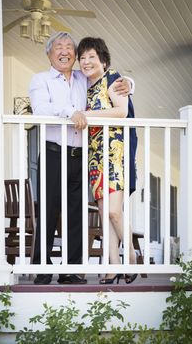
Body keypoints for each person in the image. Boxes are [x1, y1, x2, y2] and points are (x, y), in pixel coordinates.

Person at [29, 32, 133, 285]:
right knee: (49, 210)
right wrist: (71, 112)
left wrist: (128, 82)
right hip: (54, 152)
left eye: (69, 48)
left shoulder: (80, 78)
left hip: (80, 156)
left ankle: (72, 270)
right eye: (58, 47)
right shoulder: (41, 79)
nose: (65, 51)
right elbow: (41, 108)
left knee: (76, 214)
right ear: (49, 53)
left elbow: (105, 80)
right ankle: (43, 269)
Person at [77, 37, 138, 284]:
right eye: (82, 58)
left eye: (92, 56)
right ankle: (113, 268)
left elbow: (121, 111)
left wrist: (86, 114)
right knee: (104, 213)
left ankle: (132, 260)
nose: (86, 62)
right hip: (95, 156)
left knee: (114, 211)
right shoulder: (84, 87)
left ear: (103, 60)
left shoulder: (113, 79)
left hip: (116, 153)